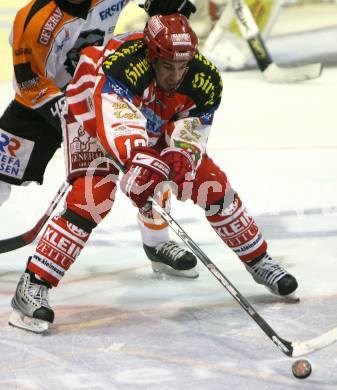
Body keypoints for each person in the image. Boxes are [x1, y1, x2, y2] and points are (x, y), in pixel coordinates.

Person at [9, 13, 298, 333]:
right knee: (93, 197)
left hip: (154, 111)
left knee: (209, 183)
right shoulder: (122, 68)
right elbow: (115, 122)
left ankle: (259, 261)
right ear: (151, 57)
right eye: (167, 67)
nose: (176, 75)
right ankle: (33, 285)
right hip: (89, 112)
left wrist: (180, 157)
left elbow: (193, 131)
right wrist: (138, 160)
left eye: (182, 66)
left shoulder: (204, 78)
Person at [0, 0, 200, 280]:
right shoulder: (33, 20)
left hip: (103, 92)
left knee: (147, 161)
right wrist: (68, 110)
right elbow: (29, 82)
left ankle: (157, 244)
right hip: (42, 104)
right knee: (1, 176)